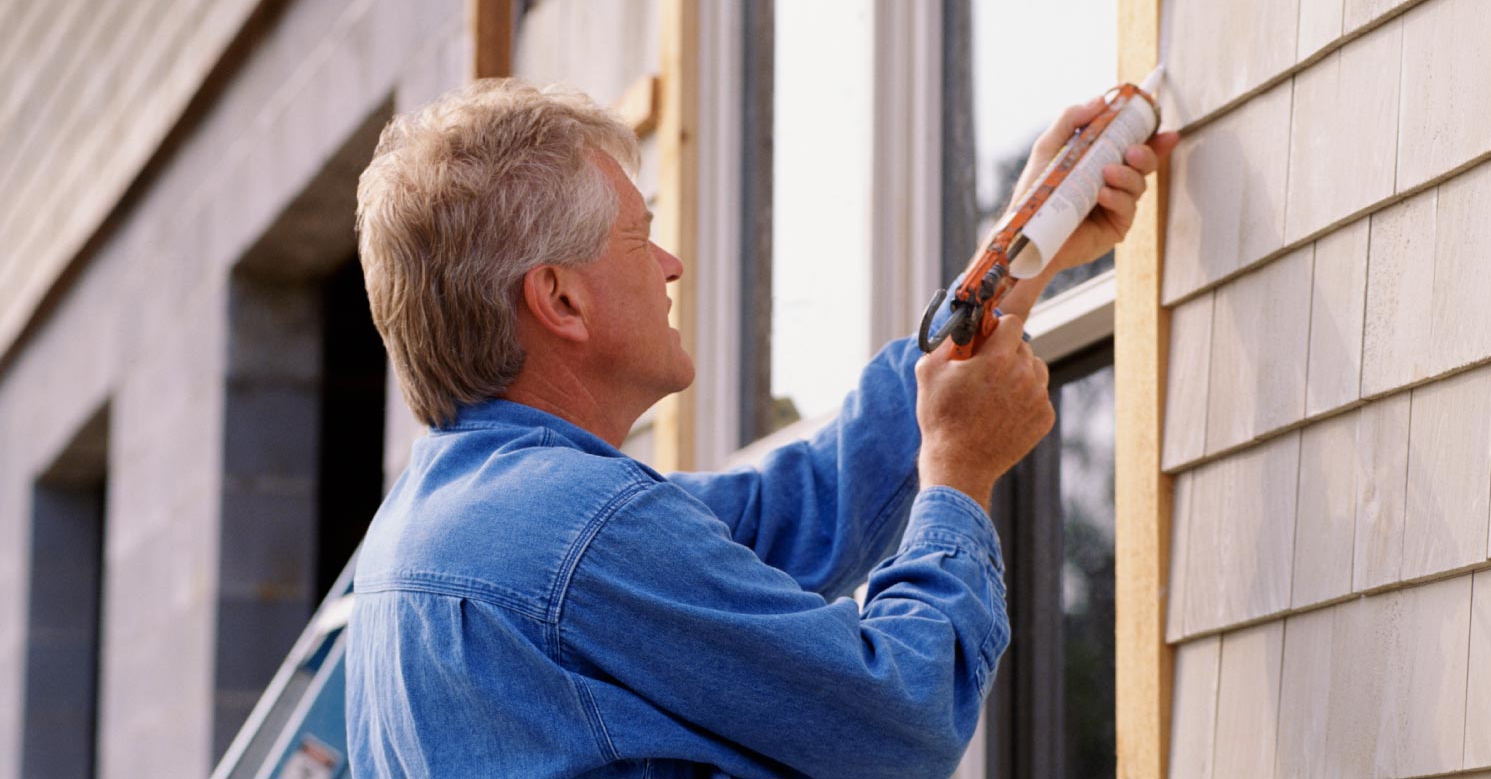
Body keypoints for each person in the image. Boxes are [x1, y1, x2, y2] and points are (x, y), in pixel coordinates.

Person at [345, 78, 1174, 778]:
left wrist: (1014, 255)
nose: (671, 264)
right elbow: (900, 719)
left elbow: (802, 512)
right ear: (560, 300)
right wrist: (958, 478)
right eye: (640, 238)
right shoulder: (577, 531)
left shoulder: (446, 523)